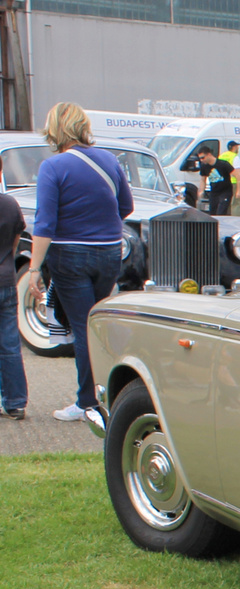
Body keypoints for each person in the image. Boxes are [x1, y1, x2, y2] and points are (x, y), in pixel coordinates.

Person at [25, 102, 134, 423]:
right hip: (110, 251)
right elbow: (125, 206)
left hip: (70, 254)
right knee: (98, 326)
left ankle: (88, 401)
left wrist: (34, 268)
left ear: (55, 129)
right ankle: (112, 394)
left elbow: (44, 222)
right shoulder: (109, 160)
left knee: (83, 327)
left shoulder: (53, 167)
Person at [0, 153, 26, 419]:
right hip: (6, 279)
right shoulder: (10, 204)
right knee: (9, 344)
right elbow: (15, 242)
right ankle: (16, 401)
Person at [195, 145, 234, 215]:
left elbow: (237, 174)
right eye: (200, 158)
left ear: (209, 154)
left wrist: (239, 189)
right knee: (213, 213)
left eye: (203, 157)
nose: (201, 160)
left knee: (221, 211)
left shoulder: (223, 164)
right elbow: (203, 179)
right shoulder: (204, 166)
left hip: (225, 191)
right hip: (214, 191)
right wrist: (201, 191)